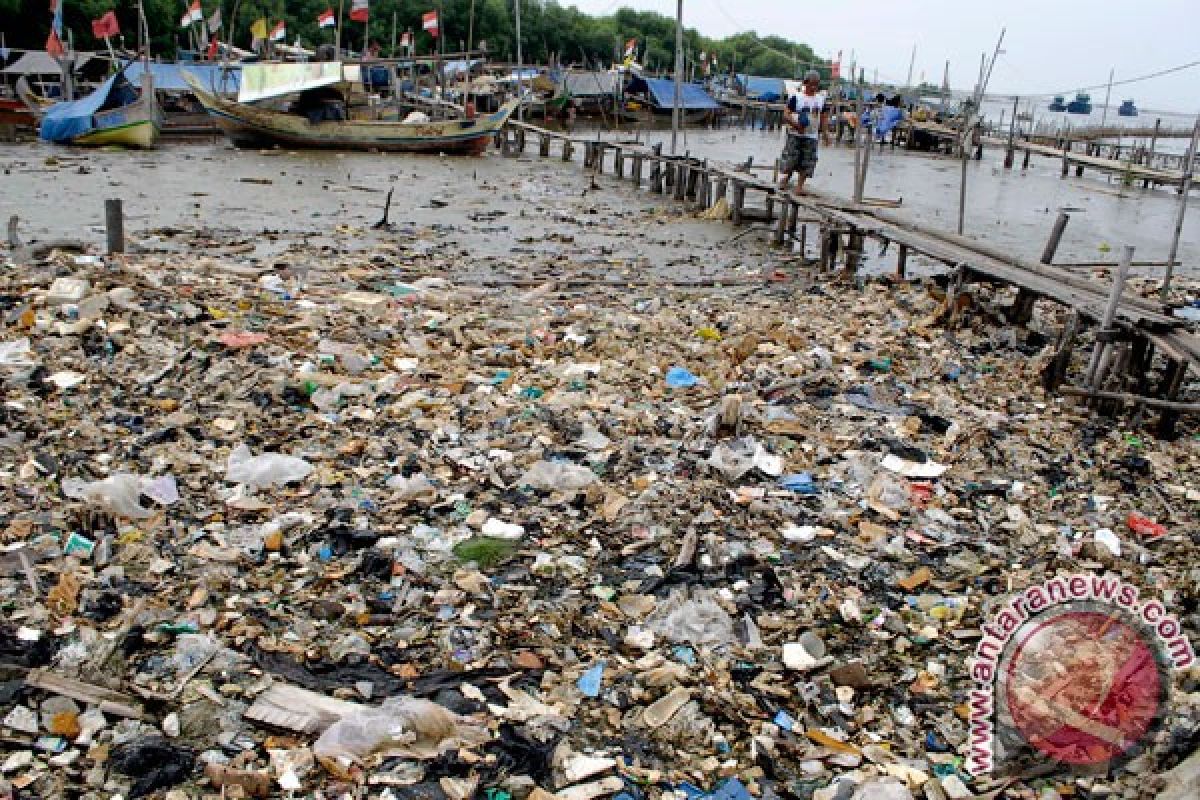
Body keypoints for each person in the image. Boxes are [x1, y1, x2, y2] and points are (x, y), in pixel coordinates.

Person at [779, 69, 831, 195]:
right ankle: (786, 178)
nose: (814, 87)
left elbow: (824, 118)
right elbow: (786, 114)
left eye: (816, 84)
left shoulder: (821, 99)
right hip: (795, 134)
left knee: (808, 162)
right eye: (811, 84)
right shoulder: (796, 98)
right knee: (791, 159)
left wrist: (825, 134)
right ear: (805, 83)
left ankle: (799, 186)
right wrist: (795, 125)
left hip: (811, 135)